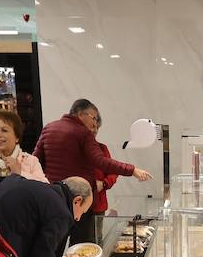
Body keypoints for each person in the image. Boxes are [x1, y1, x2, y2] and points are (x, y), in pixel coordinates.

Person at [33, 98, 152, 244]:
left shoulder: (49, 128)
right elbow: (101, 162)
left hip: (53, 198)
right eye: (94, 118)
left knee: (55, 245)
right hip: (80, 200)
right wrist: (132, 169)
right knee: (82, 248)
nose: (95, 124)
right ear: (83, 114)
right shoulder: (83, 133)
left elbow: (36, 161)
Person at [0, 109, 44, 186]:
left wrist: (20, 173)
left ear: (17, 137)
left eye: (4, 130)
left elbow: (46, 189)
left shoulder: (31, 161)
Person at [86, 110, 119, 220]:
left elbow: (113, 172)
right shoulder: (73, 148)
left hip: (97, 206)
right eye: (92, 127)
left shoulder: (102, 148)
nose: (95, 131)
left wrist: (104, 184)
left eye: (97, 127)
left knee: (98, 237)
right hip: (76, 205)